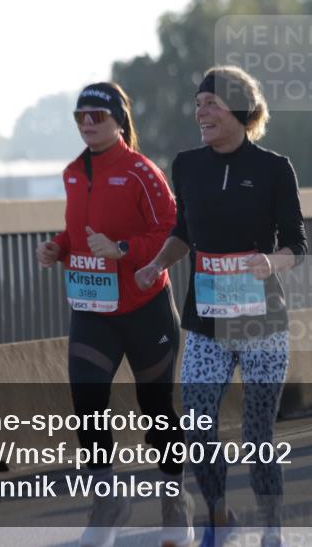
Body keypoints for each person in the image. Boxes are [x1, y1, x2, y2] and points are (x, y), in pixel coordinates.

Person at [136, 65, 307, 547]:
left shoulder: (275, 168)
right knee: (197, 425)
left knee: (257, 435)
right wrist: (154, 265)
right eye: (197, 104)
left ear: (241, 108)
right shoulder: (187, 165)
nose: (200, 111)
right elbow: (184, 233)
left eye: (210, 102)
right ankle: (218, 515)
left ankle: (272, 525)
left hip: (262, 321)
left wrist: (269, 262)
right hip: (207, 323)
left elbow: (297, 244)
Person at [36, 82, 193, 547]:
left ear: (119, 121)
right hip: (94, 309)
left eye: (97, 117)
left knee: (156, 409)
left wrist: (124, 250)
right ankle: (108, 504)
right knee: (87, 401)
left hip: (145, 309)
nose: (87, 124)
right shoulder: (70, 173)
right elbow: (76, 232)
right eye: (80, 116)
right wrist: (57, 247)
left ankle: (174, 501)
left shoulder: (142, 171)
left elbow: (172, 232)